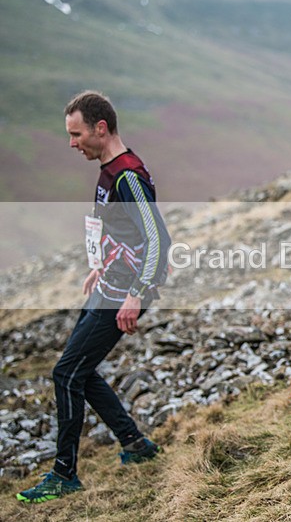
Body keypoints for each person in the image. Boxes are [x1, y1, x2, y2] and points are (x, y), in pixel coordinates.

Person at [17, 91, 172, 503]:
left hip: (124, 293)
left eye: (76, 134)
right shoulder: (109, 169)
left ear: (100, 129)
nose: (72, 143)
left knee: (66, 373)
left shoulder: (128, 176)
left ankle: (64, 474)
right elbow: (125, 232)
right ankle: (135, 445)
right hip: (109, 284)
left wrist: (137, 294)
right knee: (77, 369)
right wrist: (102, 263)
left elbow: (159, 240)